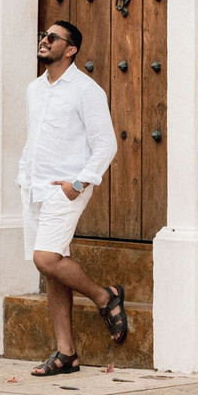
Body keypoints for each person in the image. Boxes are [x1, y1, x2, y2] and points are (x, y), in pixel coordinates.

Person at [19, 19, 127, 374]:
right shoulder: (35, 89)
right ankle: (66, 353)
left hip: (65, 190)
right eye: (43, 36)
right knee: (54, 271)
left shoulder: (86, 90)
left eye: (52, 38)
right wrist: (24, 177)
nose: (44, 41)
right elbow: (34, 139)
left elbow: (105, 144)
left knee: (46, 259)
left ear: (71, 49)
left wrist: (78, 184)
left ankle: (103, 296)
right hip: (34, 188)